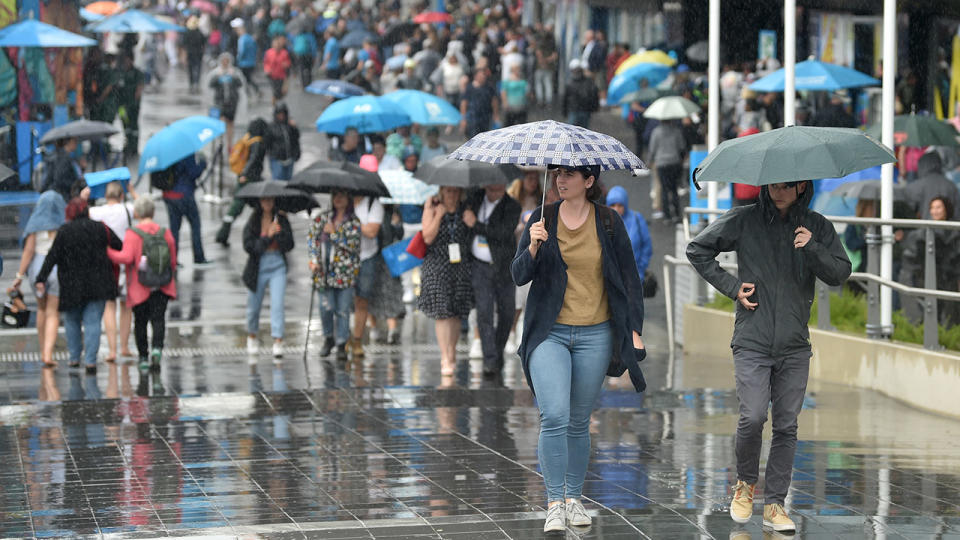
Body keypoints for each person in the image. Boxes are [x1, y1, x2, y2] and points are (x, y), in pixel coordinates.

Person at [686, 180, 851, 533]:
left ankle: (775, 504)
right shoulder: (744, 219)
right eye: (772, 185)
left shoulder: (816, 226)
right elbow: (697, 249)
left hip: (794, 344)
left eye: (785, 186)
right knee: (753, 416)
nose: (777, 191)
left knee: (787, 425)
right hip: (752, 339)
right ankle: (745, 484)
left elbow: (840, 272)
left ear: (801, 185)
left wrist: (813, 247)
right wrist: (733, 288)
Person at [512, 164, 646, 532]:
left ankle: (574, 497)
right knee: (554, 415)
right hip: (549, 333)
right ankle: (554, 501)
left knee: (578, 421)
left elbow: (630, 278)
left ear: (589, 182)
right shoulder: (541, 218)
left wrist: (634, 329)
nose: (561, 179)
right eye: (557, 173)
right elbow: (519, 274)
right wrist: (534, 245)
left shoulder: (608, 222)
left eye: (570, 174)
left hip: (596, 334)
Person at [35, 197, 123, 373]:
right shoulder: (100, 228)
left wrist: (41, 278)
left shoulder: (65, 231)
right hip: (98, 283)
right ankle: (90, 361)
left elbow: (52, 256)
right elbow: (119, 245)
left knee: (72, 322)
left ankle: (74, 359)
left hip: (70, 285)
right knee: (93, 323)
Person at [106, 197, 177, 371]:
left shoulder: (133, 233)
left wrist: (107, 251)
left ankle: (144, 357)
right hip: (162, 284)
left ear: (137, 213)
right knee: (159, 319)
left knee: (140, 322)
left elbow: (127, 258)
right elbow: (173, 259)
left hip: (140, 286)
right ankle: (157, 349)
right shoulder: (164, 232)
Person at [464, 182, 522, 378]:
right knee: (484, 311)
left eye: (497, 189)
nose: (493, 192)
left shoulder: (513, 206)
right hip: (480, 266)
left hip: (503, 267)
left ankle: (497, 353)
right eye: (490, 188)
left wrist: (476, 225)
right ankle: (490, 359)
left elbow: (502, 234)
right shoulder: (475, 198)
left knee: (507, 312)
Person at [420, 186, 474, 376]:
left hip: (459, 265)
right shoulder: (432, 207)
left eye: (455, 191)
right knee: (442, 312)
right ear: (442, 192)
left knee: (456, 312)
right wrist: (437, 215)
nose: (452, 195)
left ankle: (452, 350)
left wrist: (471, 221)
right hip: (437, 264)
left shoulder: (465, 209)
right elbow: (427, 237)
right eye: (448, 191)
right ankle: (445, 356)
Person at [8, 191, 64, 368]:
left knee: (41, 310)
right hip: (56, 269)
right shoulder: (61, 224)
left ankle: (42, 351)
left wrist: (19, 277)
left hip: (37, 270)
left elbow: (29, 251)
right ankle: (48, 352)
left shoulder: (34, 225)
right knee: (53, 312)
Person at [308, 189, 361, 360]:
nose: (338, 199)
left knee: (343, 310)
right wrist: (313, 260)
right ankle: (328, 337)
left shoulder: (353, 222)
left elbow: (353, 245)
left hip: (344, 273)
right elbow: (313, 240)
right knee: (325, 308)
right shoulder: (322, 218)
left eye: (342, 195)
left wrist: (335, 234)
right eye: (335, 196)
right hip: (323, 272)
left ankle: (341, 343)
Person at [90, 181, 138, 363]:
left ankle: (112, 350)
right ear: (121, 195)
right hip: (125, 261)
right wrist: (133, 191)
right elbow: (145, 210)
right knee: (126, 306)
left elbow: (80, 214)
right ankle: (124, 347)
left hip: (106, 262)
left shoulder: (97, 212)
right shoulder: (127, 209)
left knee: (109, 306)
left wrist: (86, 196)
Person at [243, 196, 294, 359]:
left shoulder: (281, 219)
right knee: (253, 306)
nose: (267, 204)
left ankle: (278, 340)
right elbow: (249, 246)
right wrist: (267, 236)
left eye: (270, 200)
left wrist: (278, 234)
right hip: (258, 267)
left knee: (277, 304)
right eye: (264, 200)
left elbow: (289, 245)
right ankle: (252, 335)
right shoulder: (253, 220)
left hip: (277, 265)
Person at [900, 196, 960, 326]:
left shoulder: (955, 229)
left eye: (938, 207)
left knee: (953, 315)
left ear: (946, 209)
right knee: (931, 312)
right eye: (932, 208)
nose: (935, 211)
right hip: (929, 278)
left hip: (950, 279)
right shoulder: (923, 231)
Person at [216, 118, 268, 246]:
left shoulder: (248, 139)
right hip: (251, 180)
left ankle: (223, 234)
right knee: (261, 207)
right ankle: (259, 233)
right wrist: (246, 174)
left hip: (244, 178)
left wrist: (243, 174)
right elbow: (254, 159)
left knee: (235, 209)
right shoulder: (258, 143)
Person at [348, 192, 384, 357]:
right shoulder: (343, 201)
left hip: (367, 257)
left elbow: (372, 232)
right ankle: (344, 338)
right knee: (344, 301)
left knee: (362, 299)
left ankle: (357, 339)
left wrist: (353, 224)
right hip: (345, 258)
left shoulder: (373, 203)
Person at [162, 154, 211, 265]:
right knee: (195, 225)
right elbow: (193, 173)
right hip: (184, 194)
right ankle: (199, 257)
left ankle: (173, 259)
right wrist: (202, 164)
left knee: (174, 229)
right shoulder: (186, 152)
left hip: (168, 195)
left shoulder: (168, 152)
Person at [605, 186, 652, 277]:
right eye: (613, 205)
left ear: (625, 205)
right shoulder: (602, 221)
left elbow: (647, 246)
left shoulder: (637, 219)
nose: (616, 209)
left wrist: (640, 270)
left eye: (620, 205)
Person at [647, 119, 688, 222]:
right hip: (674, 162)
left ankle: (667, 216)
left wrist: (649, 161)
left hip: (661, 164)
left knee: (664, 190)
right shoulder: (676, 131)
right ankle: (677, 214)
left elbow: (652, 149)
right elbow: (682, 147)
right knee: (674, 189)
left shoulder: (656, 132)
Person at [904, 152, 960, 219]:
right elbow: (957, 213)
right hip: (948, 228)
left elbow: (908, 214)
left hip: (924, 228)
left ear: (921, 165)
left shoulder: (914, 187)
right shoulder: (951, 186)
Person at [208, 52, 244, 150]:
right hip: (219, 102)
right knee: (220, 121)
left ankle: (229, 144)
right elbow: (210, 85)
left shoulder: (234, 72)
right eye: (223, 61)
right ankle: (220, 142)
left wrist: (233, 77)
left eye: (226, 61)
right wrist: (218, 77)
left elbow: (240, 84)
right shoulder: (216, 73)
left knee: (230, 123)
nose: (225, 63)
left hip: (232, 103)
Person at [116, 52, 144, 158]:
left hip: (133, 105)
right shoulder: (121, 73)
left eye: (128, 60)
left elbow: (140, 87)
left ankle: (134, 146)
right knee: (125, 124)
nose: (126, 63)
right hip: (122, 106)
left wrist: (135, 99)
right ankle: (127, 144)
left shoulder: (137, 73)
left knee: (133, 125)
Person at [460, 68, 500, 137]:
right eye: (481, 76)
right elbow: (464, 103)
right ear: (475, 77)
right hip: (473, 117)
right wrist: (463, 118)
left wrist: (495, 115)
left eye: (484, 75)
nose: (483, 77)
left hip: (486, 117)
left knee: (485, 137)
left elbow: (494, 101)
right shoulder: (470, 88)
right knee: (473, 137)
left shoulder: (489, 87)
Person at [42, 137, 85, 201]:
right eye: (74, 141)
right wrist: (76, 183)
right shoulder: (63, 158)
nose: (76, 144)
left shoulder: (67, 156)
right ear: (68, 142)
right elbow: (60, 179)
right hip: (62, 195)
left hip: (61, 194)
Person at [267, 102, 301, 181]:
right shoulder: (271, 127)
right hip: (276, 160)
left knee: (288, 182)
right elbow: (267, 143)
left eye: (283, 114)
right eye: (279, 114)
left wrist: (294, 127)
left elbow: (296, 139)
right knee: (277, 182)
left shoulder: (290, 126)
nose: (281, 116)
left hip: (289, 159)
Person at [563, 59, 599, 128]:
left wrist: (564, 111)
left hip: (575, 110)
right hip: (584, 110)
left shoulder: (570, 83)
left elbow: (565, 99)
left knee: (572, 132)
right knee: (584, 133)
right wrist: (594, 108)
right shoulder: (588, 82)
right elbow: (594, 95)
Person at [234, 19, 261, 99]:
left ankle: (248, 93)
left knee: (245, 80)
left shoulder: (242, 39)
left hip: (244, 63)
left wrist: (238, 60)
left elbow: (241, 51)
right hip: (251, 62)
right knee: (248, 78)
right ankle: (254, 91)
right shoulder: (250, 38)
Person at [263, 35, 291, 105]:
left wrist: (286, 64)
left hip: (281, 75)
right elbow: (266, 63)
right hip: (272, 75)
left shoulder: (284, 53)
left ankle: (278, 104)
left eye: (278, 44)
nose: (276, 46)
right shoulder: (269, 53)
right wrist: (267, 69)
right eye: (275, 44)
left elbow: (288, 63)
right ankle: (275, 104)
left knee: (280, 92)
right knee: (275, 91)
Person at [183, 17, 206, 92]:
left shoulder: (187, 32)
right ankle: (196, 82)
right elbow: (204, 42)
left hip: (191, 53)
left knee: (191, 68)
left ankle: (192, 82)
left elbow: (184, 44)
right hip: (197, 53)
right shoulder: (199, 32)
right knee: (197, 68)